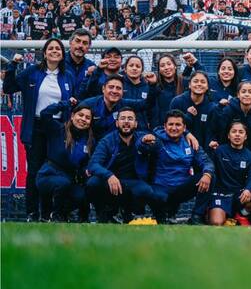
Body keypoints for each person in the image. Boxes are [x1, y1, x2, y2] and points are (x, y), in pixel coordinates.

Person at [3, 40, 76, 221]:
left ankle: (47, 214)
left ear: (63, 54)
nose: (54, 51)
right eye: (50, 48)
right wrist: (12, 65)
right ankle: (32, 213)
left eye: (58, 48)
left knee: (53, 171)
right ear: (44, 53)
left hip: (57, 129)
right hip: (36, 127)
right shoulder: (32, 72)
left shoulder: (68, 76)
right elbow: (9, 87)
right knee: (35, 171)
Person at [138, 110, 214, 224]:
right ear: (165, 126)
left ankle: (196, 216)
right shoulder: (156, 140)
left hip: (180, 189)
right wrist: (143, 142)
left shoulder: (190, 142)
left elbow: (206, 161)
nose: (174, 128)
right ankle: (163, 215)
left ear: (184, 128)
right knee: (154, 196)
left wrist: (207, 174)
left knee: (210, 177)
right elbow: (143, 147)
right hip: (159, 188)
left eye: (178, 124)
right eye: (171, 124)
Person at [86, 106, 154, 222]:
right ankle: (102, 214)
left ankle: (128, 213)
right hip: (110, 182)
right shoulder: (107, 141)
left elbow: (157, 145)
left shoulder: (142, 138)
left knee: (146, 191)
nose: (126, 121)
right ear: (117, 123)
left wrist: (153, 140)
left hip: (132, 182)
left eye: (130, 119)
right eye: (122, 118)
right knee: (93, 183)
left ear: (136, 124)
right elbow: (93, 164)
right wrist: (109, 175)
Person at [35, 102, 93, 222]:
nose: (83, 119)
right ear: (72, 116)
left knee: (81, 195)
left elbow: (85, 164)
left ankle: (64, 214)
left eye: (88, 118)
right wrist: (65, 104)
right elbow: (45, 114)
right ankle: (55, 216)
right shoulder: (58, 129)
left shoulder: (90, 141)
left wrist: (86, 171)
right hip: (48, 175)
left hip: (69, 179)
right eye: (80, 115)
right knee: (63, 183)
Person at [208, 121, 251, 226]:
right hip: (221, 193)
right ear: (228, 135)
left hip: (239, 194)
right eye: (234, 131)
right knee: (217, 222)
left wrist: (248, 189)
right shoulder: (219, 151)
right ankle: (211, 212)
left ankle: (241, 214)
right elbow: (208, 168)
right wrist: (209, 149)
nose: (237, 134)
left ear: (245, 136)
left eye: (241, 132)